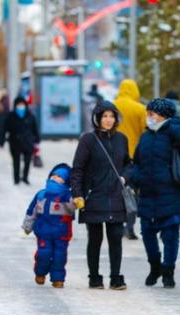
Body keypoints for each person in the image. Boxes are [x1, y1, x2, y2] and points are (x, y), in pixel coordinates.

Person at [130, 98, 180, 289]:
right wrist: (135, 176)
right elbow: (136, 162)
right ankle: (154, 266)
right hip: (148, 194)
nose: (149, 117)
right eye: (148, 113)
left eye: (153, 113)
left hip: (171, 194)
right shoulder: (145, 137)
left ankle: (168, 271)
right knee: (147, 234)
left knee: (170, 236)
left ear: (164, 116)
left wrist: (172, 127)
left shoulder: (175, 133)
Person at [70, 101, 132, 290]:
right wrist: (77, 194)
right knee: (95, 239)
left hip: (115, 195)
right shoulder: (88, 140)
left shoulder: (122, 139)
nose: (108, 120)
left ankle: (115, 277)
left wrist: (124, 177)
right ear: (97, 118)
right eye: (104, 116)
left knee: (115, 237)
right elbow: (78, 169)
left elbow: (129, 163)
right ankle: (94, 277)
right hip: (93, 196)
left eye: (111, 116)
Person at [22, 164, 75, 289]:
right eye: (54, 175)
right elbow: (32, 210)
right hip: (43, 230)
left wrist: (77, 201)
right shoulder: (41, 194)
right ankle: (40, 273)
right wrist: (28, 226)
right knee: (43, 253)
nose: (55, 177)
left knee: (60, 255)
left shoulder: (68, 195)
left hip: (61, 232)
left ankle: (58, 279)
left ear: (66, 180)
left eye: (60, 176)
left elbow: (73, 208)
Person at [113, 79, 147, 240]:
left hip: (114, 155)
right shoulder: (140, 109)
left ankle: (117, 224)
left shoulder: (112, 107)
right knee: (132, 192)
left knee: (116, 191)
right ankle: (130, 226)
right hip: (134, 156)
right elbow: (145, 133)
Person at [0, 96, 40, 185]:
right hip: (15, 142)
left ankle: (25, 177)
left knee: (27, 161)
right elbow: (4, 129)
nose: (20, 106)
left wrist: (37, 140)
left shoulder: (30, 115)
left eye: (22, 104)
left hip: (28, 142)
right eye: (19, 105)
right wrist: (1, 140)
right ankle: (16, 179)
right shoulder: (11, 116)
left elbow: (34, 129)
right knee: (16, 161)